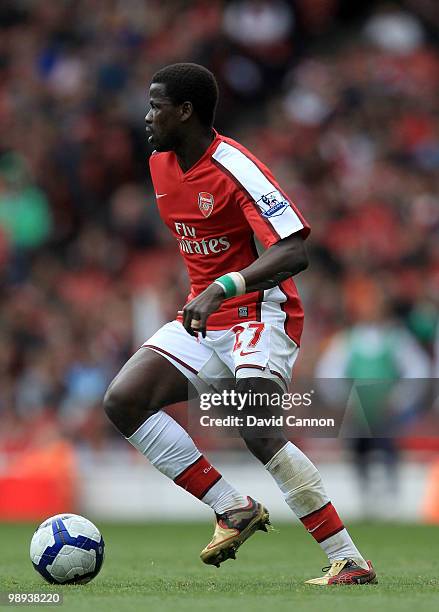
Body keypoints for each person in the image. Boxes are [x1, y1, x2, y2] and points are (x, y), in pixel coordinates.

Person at [103, 63, 376, 585]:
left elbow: (294, 250)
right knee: (124, 400)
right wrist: (207, 295)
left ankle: (350, 560)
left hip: (258, 311)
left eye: (156, 105)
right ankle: (232, 507)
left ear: (184, 111)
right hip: (204, 316)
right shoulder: (160, 164)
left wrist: (223, 287)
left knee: (255, 424)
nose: (146, 116)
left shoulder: (235, 168)